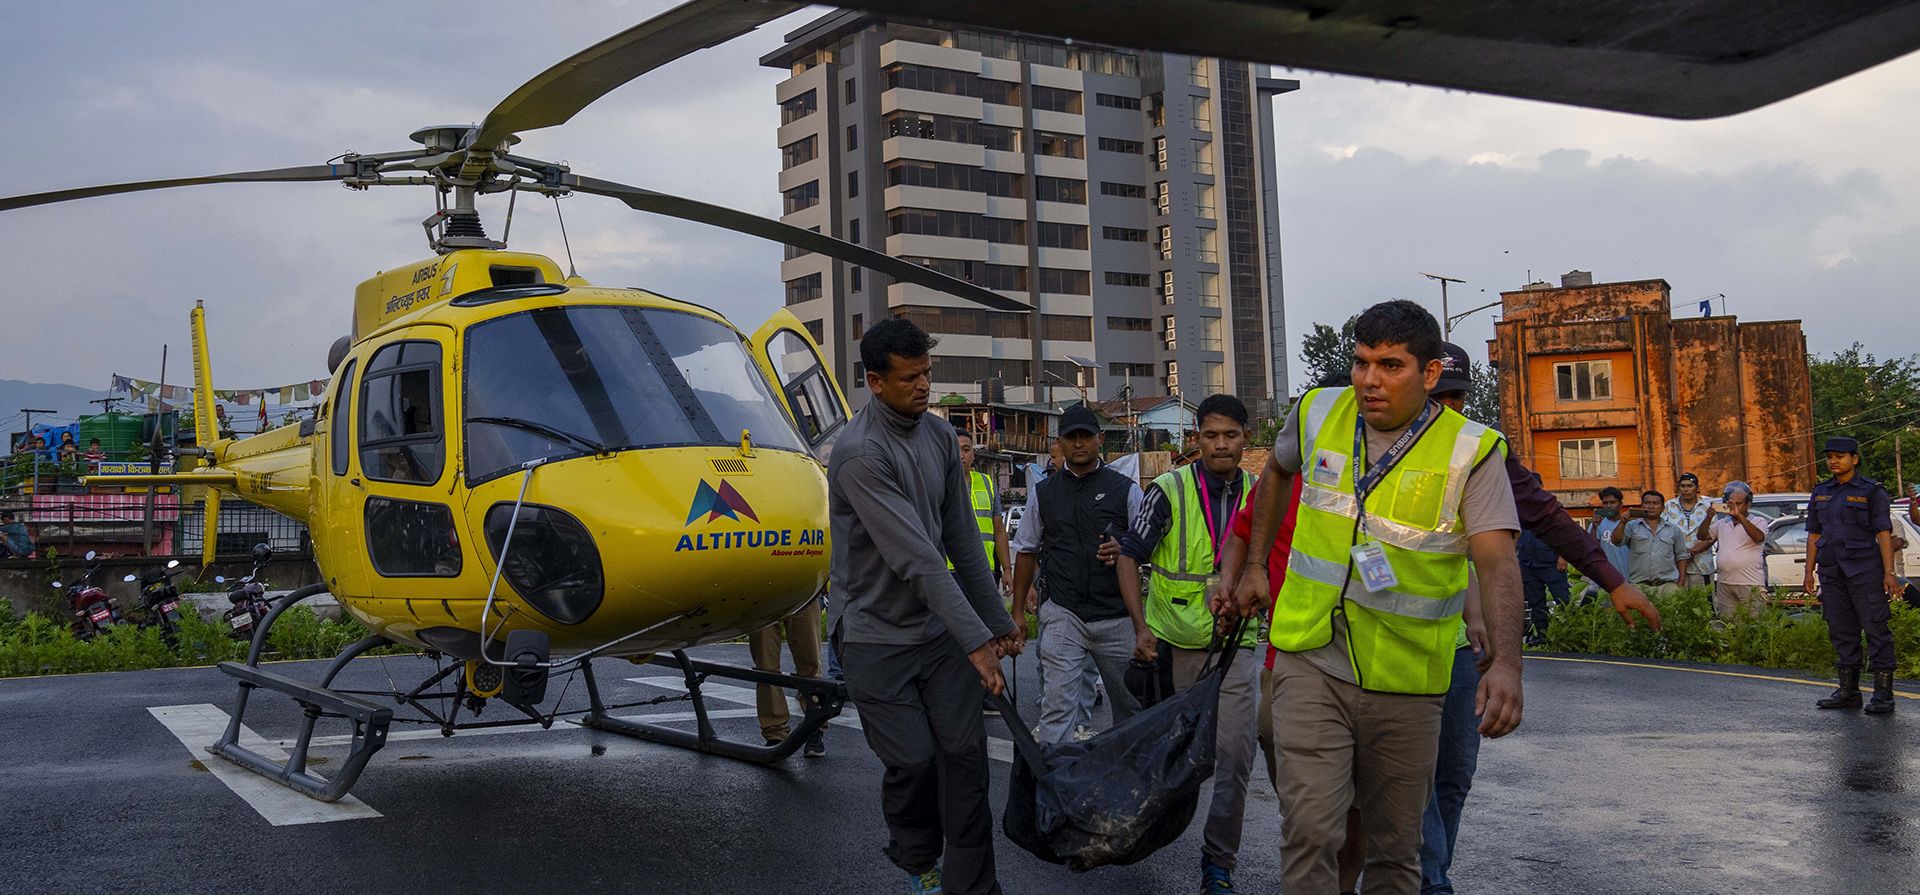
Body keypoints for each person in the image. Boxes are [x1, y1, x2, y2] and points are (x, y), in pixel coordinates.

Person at [1225, 300, 1525, 895]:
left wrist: (1508, 666)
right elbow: (1277, 472)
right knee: (1310, 831)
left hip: (1406, 679)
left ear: (1430, 373)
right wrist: (1255, 565)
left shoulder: (1472, 450)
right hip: (1310, 657)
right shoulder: (1318, 411)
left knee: (1394, 852)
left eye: (1390, 366)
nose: (1369, 380)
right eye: (1361, 362)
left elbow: (1496, 562)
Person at [827, 317, 1021, 895]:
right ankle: (917, 859)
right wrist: (978, 643)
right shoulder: (860, 453)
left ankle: (974, 887)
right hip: (873, 636)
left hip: (936, 633)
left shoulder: (939, 437)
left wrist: (998, 622)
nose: (923, 386)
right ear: (875, 381)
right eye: (910, 378)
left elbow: (961, 539)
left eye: (927, 374)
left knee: (966, 757)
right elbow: (917, 558)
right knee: (913, 760)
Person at [1115, 393, 1260, 894]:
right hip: (1174, 647)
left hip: (1235, 645)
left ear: (1246, 439)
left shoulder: (1262, 493)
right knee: (1176, 759)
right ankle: (1132, 830)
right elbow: (1128, 556)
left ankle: (1218, 865)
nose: (1221, 445)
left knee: (1235, 757)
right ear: (1195, 438)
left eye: (1231, 435)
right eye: (1211, 435)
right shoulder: (1168, 489)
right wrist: (1141, 628)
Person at [1010, 403, 1147, 744]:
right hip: (1063, 613)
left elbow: (1150, 544)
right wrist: (1017, 612)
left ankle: (1131, 772)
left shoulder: (1125, 489)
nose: (1079, 443)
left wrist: (1124, 548)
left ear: (1100, 439)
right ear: (1059, 443)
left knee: (1132, 707)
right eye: (1071, 437)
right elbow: (1026, 550)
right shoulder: (1044, 493)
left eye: (1086, 436)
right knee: (1056, 710)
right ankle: (1055, 775)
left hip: (1117, 615)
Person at [1805, 436, 1900, 715]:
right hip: (1832, 571)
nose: (1833, 461)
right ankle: (1848, 691)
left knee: (1876, 628)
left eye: (1840, 456)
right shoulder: (1821, 491)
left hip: (1865, 571)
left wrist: (1889, 573)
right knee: (1841, 630)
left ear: (1854, 459)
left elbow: (1883, 533)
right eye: (1830, 457)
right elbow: (1814, 533)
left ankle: (1883, 693)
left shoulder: (1872, 491)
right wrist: (1808, 571)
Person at [747, 596, 826, 756]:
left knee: (810, 664)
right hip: (761, 595)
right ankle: (775, 732)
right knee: (765, 670)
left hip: (804, 592)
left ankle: (814, 727)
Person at [1696, 481, 1771, 618]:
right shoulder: (1722, 523)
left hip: (1750, 583)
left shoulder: (1758, 521)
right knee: (1728, 622)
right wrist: (1708, 517)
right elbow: (1702, 536)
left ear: (1748, 504)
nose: (1734, 507)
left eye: (1738, 504)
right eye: (1731, 504)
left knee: (1754, 622)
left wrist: (1739, 516)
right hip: (1725, 582)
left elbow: (1758, 537)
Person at [951, 430, 1012, 596]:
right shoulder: (939, 484)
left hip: (984, 569)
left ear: (973, 454)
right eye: (955, 450)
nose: (961, 456)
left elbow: (999, 530)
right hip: (950, 571)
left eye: (966, 450)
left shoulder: (987, 483)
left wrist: (1007, 569)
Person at [1611, 490, 1689, 594]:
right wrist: (1622, 523)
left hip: (1668, 586)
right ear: (1642, 505)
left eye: (1655, 503)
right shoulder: (1631, 526)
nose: (1651, 506)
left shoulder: (1673, 529)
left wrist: (1681, 583)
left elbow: (1682, 556)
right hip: (1639, 586)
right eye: (1647, 503)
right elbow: (1616, 541)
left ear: (1662, 508)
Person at [1516, 527, 1569, 644]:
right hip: (1527, 562)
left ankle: (1570, 635)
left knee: (1563, 601)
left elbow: (1563, 531)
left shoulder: (1552, 514)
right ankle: (1542, 635)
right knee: (1535, 603)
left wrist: (1563, 555)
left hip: (1551, 562)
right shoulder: (1519, 514)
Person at [1665, 472, 1716, 590]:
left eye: (1689, 486)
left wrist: (1691, 552)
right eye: (1682, 486)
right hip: (1675, 567)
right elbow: (1663, 532)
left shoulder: (1707, 507)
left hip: (1701, 566)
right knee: (1678, 600)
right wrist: (1681, 555)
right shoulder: (1669, 506)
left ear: (1697, 488)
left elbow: (1713, 535)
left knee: (1703, 600)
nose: (1686, 489)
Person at [1583, 487, 1633, 599]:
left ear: (1621, 504)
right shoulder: (1597, 524)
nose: (1609, 506)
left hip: (1629, 578)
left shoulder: (1630, 524)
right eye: (1605, 503)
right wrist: (1595, 527)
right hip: (1606, 579)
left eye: (1613, 502)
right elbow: (1591, 549)